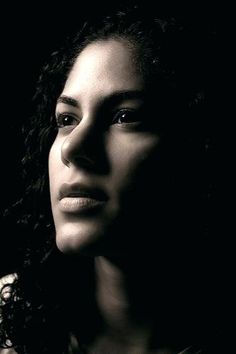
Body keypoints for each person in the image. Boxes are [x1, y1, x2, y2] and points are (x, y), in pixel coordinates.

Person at [0, 4, 219, 354]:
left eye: (124, 116)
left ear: (198, 142)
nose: (72, 147)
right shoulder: (5, 320)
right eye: (67, 119)